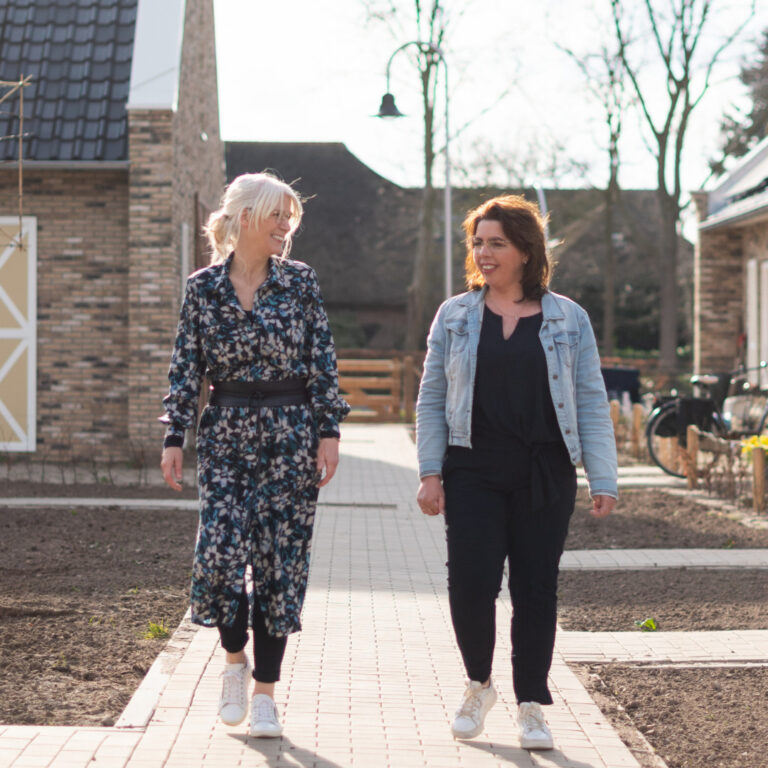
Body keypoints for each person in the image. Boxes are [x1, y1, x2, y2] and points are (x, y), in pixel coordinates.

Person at [415, 194, 617, 750]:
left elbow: (591, 401)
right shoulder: (455, 315)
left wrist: (603, 477)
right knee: (470, 584)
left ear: (526, 250)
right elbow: (432, 397)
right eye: (478, 243)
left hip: (544, 472)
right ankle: (479, 685)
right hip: (472, 468)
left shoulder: (568, 319)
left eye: (496, 243)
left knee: (535, 589)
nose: (484, 253)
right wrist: (430, 471)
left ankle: (532, 703)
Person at [160, 172, 349, 738]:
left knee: (277, 565)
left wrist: (328, 430)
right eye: (277, 216)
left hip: (290, 434)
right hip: (226, 434)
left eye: (290, 216)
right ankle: (234, 659)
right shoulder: (203, 288)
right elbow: (186, 366)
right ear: (245, 218)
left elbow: (321, 358)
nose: (286, 226)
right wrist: (175, 434)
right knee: (217, 558)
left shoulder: (301, 283)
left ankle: (265, 693)